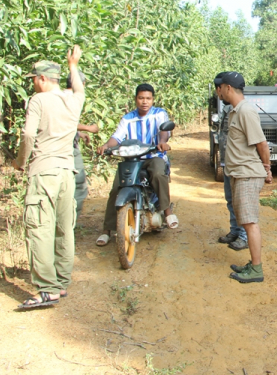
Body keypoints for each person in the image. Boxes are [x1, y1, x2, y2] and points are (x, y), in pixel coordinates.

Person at [13, 46, 84, 308]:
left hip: (44, 172)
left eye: (33, 78)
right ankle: (61, 282)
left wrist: (20, 162)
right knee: (64, 229)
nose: (32, 83)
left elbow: (29, 135)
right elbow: (78, 88)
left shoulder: (38, 101)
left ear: (43, 79)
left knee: (40, 228)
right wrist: (73, 64)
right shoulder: (73, 100)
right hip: (67, 173)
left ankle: (47, 289)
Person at [95, 84, 177, 246]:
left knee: (159, 173)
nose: (144, 102)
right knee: (116, 188)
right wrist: (106, 146)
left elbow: (164, 132)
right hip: (132, 160)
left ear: (153, 99)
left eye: (148, 98)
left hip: (154, 155)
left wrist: (162, 143)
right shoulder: (127, 118)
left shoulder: (159, 114)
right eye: (141, 98)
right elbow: (117, 138)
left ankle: (167, 211)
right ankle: (107, 230)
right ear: (135, 99)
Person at [217, 71, 273, 283]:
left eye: (221, 87)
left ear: (228, 88)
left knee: (250, 223)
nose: (219, 91)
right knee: (247, 221)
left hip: (247, 175)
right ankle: (253, 263)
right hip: (239, 174)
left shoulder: (246, 111)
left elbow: (262, 144)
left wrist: (267, 169)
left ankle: (257, 270)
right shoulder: (234, 111)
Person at [213, 73, 248, 251]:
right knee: (230, 200)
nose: (218, 94)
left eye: (219, 90)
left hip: (238, 164)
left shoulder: (242, 110)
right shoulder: (227, 110)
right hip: (227, 161)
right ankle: (235, 231)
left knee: (240, 201)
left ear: (225, 88)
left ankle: (243, 236)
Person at [64, 71, 99, 216]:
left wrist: (79, 133)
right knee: (78, 185)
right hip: (67, 149)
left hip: (67, 144)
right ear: (82, 84)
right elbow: (64, 121)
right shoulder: (70, 97)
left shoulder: (61, 96)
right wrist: (87, 128)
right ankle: (70, 218)